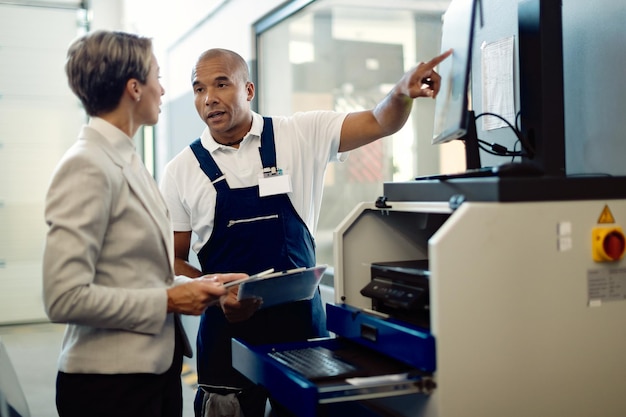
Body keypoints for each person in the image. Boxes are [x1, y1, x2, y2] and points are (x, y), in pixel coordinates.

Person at [159, 47, 452, 417]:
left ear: (248, 90)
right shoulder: (181, 170)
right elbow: (171, 259)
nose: (209, 99)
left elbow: (380, 122)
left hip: (300, 333)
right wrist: (215, 293)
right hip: (226, 337)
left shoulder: (300, 134)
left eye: (221, 84)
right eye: (198, 89)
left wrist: (399, 93)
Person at [42, 31, 248, 417]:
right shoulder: (86, 165)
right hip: (109, 387)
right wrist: (169, 300)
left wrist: (202, 286)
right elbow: (62, 297)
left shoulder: (126, 160)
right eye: (156, 76)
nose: (164, 89)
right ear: (134, 88)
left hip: (152, 372)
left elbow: (133, 271)